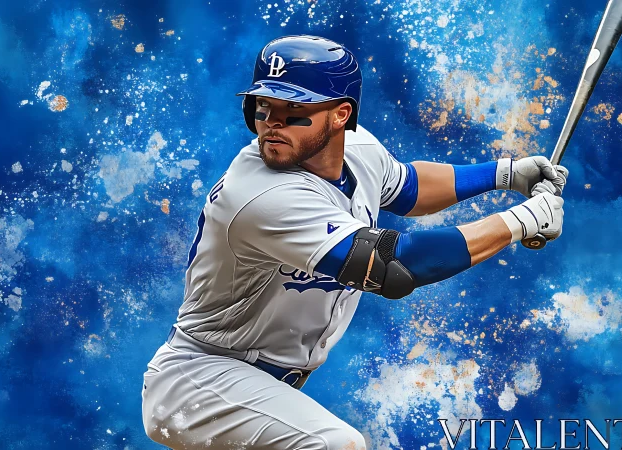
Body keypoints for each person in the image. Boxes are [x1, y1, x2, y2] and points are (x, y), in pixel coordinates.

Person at [141, 35, 568, 449]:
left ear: (341, 115)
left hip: (255, 386)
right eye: (263, 106)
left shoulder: (358, 151)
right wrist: (521, 221)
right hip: (201, 379)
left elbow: (410, 187)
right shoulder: (262, 194)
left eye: (293, 110)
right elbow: (395, 266)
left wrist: (506, 174)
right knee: (334, 444)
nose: (272, 122)